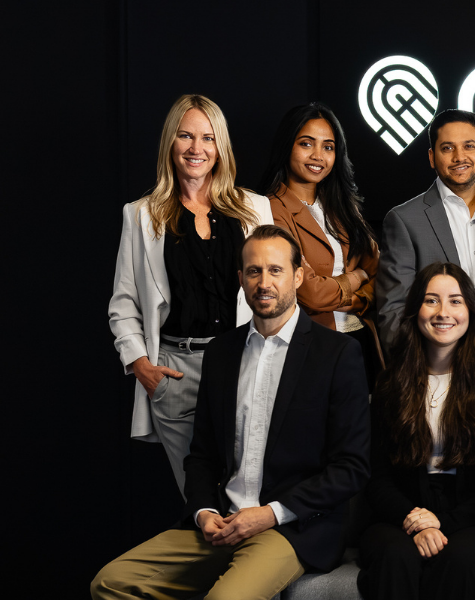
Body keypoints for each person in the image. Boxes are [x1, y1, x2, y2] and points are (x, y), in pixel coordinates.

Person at [92, 225, 372, 600]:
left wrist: (270, 513)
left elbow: (351, 468)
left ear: (298, 276)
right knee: (110, 582)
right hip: (221, 523)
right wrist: (204, 511)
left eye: (276, 270)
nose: (264, 282)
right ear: (240, 279)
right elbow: (203, 455)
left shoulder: (337, 354)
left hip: (290, 529)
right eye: (254, 271)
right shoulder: (222, 352)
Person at [109, 94, 273, 494]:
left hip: (243, 364)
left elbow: (276, 290)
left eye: (207, 137)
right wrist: (141, 366)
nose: (196, 148)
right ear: (171, 142)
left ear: (221, 147)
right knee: (199, 498)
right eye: (186, 136)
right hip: (175, 371)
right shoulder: (142, 213)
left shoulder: (255, 209)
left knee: (246, 492)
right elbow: (123, 303)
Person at [357, 262, 475, 600]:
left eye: (455, 301)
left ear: (471, 310)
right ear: (415, 309)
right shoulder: (391, 383)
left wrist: (442, 523)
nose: (443, 312)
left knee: (458, 557)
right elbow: (376, 476)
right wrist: (414, 520)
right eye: (431, 300)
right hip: (401, 513)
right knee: (395, 555)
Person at [262, 101, 383, 386]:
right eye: (307, 144)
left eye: (328, 147)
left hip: (359, 340)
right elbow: (309, 293)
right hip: (312, 345)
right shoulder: (271, 210)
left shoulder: (342, 207)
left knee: (362, 428)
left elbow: (381, 273)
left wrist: (355, 294)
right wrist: (357, 277)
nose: (318, 156)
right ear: (287, 146)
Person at [377, 109, 475, 350]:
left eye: (469, 146)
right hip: (440, 364)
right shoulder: (404, 220)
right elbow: (393, 311)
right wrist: (423, 371)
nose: (459, 157)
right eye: (447, 148)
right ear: (432, 157)